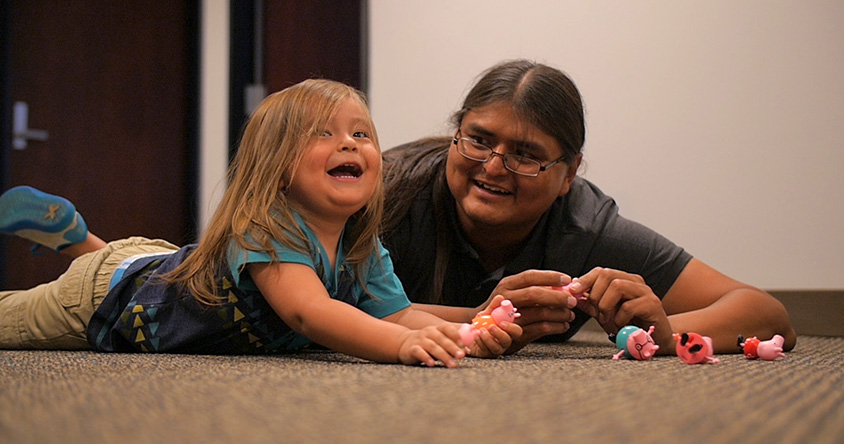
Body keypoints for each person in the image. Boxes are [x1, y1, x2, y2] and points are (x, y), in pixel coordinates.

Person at [0, 79, 521, 367]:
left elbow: (398, 313)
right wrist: (401, 347)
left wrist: (462, 330)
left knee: (138, 268)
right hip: (103, 299)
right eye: (324, 134)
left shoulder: (361, 245)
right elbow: (310, 314)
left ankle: (75, 237)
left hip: (153, 265)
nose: (350, 143)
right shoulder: (268, 230)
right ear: (277, 170)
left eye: (362, 134)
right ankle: (82, 248)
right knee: (11, 323)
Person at [382, 59, 796, 354]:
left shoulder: (587, 231)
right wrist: (476, 318)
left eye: (525, 155)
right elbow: (321, 305)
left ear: (569, 173)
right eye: (479, 140)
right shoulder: (387, 193)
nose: (493, 167)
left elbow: (766, 314)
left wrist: (667, 334)